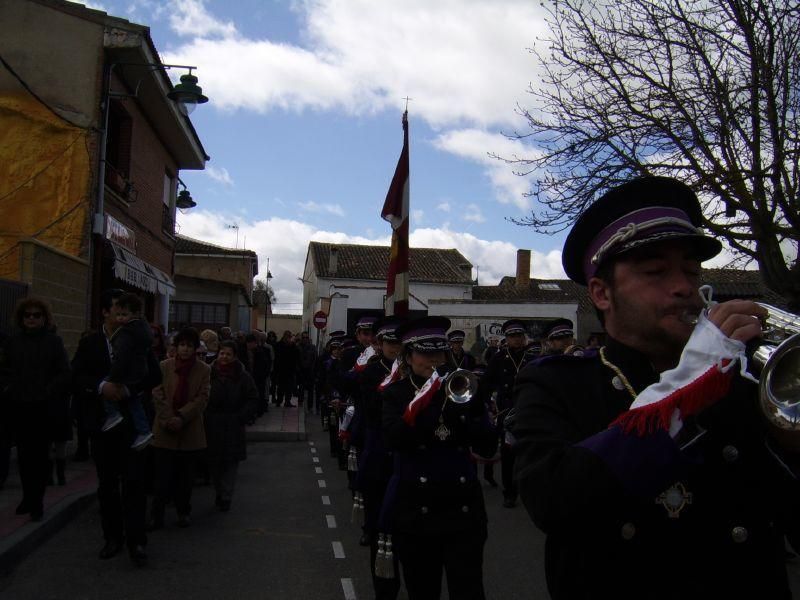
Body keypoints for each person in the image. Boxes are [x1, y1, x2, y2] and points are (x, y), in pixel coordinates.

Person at [511, 176, 800, 600]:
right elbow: (554, 501)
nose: (684, 286)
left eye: (691, 269)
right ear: (602, 293)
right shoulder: (554, 381)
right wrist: (694, 381)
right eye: (656, 271)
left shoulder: (744, 378)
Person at [381, 316, 497, 600]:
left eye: (439, 352)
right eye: (425, 353)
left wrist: (477, 407)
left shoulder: (462, 388)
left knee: (469, 590)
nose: (434, 359)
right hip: (417, 510)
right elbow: (395, 438)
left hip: (463, 509)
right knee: (422, 590)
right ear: (408, 356)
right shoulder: (396, 395)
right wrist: (426, 401)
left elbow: (487, 447)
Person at [71, 289, 152, 565]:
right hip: (103, 426)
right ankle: (112, 537)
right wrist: (102, 387)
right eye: (117, 309)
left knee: (134, 484)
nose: (122, 315)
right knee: (107, 486)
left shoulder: (137, 338)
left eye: (126, 311)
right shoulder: (91, 343)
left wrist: (129, 389)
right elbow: (77, 375)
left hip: (131, 427)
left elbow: (152, 374)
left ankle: (137, 541)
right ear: (105, 312)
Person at [0, 297, 70, 522]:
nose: (31, 319)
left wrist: (49, 390)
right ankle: (27, 497)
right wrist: (10, 388)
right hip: (19, 406)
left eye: (36, 315)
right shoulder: (12, 342)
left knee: (39, 456)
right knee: (22, 455)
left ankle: (37, 500)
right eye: (27, 315)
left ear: (44, 318)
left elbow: (63, 372)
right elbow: (5, 369)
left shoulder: (53, 342)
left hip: (43, 408)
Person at [357, 316, 404, 600]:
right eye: (390, 343)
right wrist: (393, 380)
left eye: (399, 343)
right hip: (379, 455)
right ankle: (384, 588)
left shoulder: (413, 373)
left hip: (404, 458)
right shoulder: (372, 373)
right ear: (381, 344)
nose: (395, 348)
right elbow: (373, 411)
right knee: (380, 528)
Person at [149, 327, 210, 530]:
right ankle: (156, 515)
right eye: (182, 345)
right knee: (161, 478)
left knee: (185, 479)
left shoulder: (203, 370)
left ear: (195, 348)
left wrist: (182, 416)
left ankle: (184, 511)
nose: (185, 349)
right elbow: (157, 393)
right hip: (165, 429)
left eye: (189, 346)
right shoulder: (164, 366)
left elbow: (201, 398)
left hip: (189, 430)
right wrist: (168, 418)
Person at [476, 319, 539, 507]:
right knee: (508, 452)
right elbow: (486, 383)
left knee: (530, 451)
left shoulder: (532, 358)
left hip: (528, 409)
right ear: (507, 338)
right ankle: (509, 492)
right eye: (512, 336)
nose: (517, 339)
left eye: (519, 335)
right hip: (507, 410)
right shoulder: (499, 358)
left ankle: (529, 488)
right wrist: (484, 405)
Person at [205, 340, 258, 512]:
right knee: (214, 464)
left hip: (233, 424)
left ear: (234, 356)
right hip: (212, 424)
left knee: (230, 463)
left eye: (228, 354)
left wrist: (242, 416)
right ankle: (219, 491)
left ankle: (226, 496)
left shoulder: (243, 376)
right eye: (222, 353)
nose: (224, 357)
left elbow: (252, 398)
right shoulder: (208, 373)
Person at [101, 292, 154, 451]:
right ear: (106, 312)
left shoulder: (127, 333)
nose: (120, 318)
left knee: (109, 387)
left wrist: (113, 380)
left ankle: (113, 413)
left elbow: (122, 359)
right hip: (134, 376)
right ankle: (143, 431)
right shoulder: (141, 330)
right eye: (118, 314)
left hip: (127, 377)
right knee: (134, 403)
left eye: (124, 315)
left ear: (135, 314)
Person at [274, 330, 301, 407]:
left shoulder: (293, 346)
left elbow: (296, 355)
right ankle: (279, 401)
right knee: (281, 387)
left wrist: (293, 345)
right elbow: (278, 357)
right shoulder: (279, 345)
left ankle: (287, 401)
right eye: (287, 336)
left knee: (289, 387)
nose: (288, 338)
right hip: (281, 370)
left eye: (289, 336)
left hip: (290, 370)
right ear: (284, 336)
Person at [297, 331, 317, 413]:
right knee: (301, 388)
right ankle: (300, 402)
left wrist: (314, 370)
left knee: (310, 390)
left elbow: (315, 359)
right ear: (301, 338)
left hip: (310, 372)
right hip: (301, 371)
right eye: (303, 337)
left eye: (306, 337)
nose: (305, 339)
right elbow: (296, 360)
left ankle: (310, 406)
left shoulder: (312, 347)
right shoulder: (298, 347)